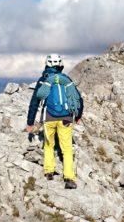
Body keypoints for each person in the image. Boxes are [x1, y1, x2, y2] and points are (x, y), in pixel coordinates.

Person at [25, 54, 84, 189]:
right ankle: (69, 178)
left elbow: (35, 102)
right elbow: (79, 99)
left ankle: (49, 171)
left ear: (47, 65)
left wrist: (30, 123)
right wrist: (78, 115)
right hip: (66, 118)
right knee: (67, 149)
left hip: (49, 118)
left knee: (49, 144)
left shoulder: (44, 80)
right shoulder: (66, 80)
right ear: (60, 65)